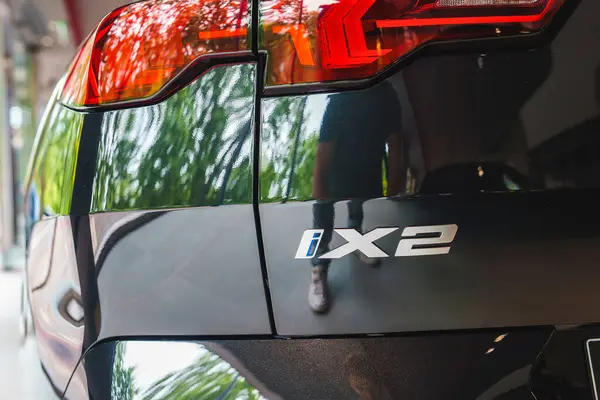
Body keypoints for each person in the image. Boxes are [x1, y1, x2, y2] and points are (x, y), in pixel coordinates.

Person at [309, 81, 404, 313]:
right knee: (323, 220)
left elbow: (396, 142)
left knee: (358, 209)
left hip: (368, 166)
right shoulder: (341, 97)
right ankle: (318, 269)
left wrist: (394, 189)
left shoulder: (386, 94)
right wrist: (319, 191)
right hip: (337, 169)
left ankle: (356, 240)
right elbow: (324, 152)